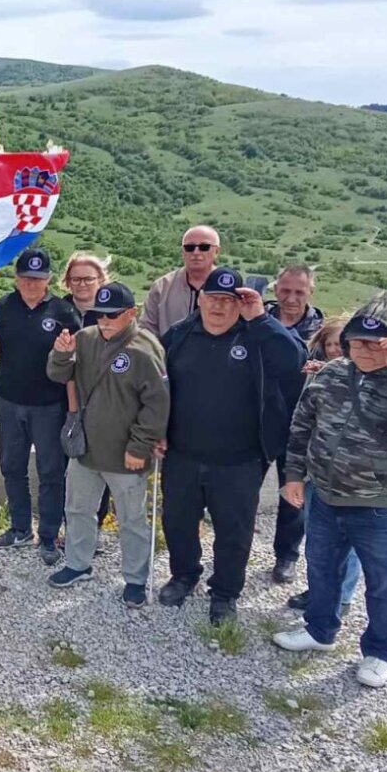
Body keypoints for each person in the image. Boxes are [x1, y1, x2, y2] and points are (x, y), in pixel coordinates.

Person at [273, 292, 387, 688]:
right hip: (325, 496)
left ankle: (378, 652)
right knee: (322, 569)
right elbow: (302, 427)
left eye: (376, 344)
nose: (364, 351)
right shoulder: (332, 374)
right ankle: (320, 630)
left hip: (380, 504)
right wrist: (293, 477)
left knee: (385, 582)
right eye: (357, 343)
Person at [156, 267, 305, 624]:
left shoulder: (258, 336)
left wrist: (261, 318)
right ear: (200, 299)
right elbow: (157, 390)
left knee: (233, 531)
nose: (219, 308)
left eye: (228, 300)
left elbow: (294, 361)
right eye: (213, 299)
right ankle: (184, 574)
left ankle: (224, 593)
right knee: (178, 522)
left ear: (240, 304)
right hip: (182, 453)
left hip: (240, 460)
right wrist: (156, 430)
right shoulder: (178, 336)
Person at [45, 282, 170, 607]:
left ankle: (135, 579)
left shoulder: (145, 349)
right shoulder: (85, 339)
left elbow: (157, 404)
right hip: (86, 449)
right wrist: (60, 352)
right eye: (100, 315)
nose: (105, 321)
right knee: (78, 509)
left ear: (132, 313)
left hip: (125, 454)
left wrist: (139, 447)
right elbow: (59, 375)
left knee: (131, 519)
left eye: (113, 315)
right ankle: (77, 563)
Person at [0, 249, 81, 563]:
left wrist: (73, 410)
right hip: (9, 401)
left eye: (38, 278)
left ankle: (48, 536)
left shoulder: (64, 311)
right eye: (25, 278)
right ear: (16, 279)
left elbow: (76, 360)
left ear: (48, 279)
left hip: (50, 405)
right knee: (12, 467)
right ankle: (20, 528)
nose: (31, 284)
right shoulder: (1, 309)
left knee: (51, 471)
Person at [286, 314, 363, 615]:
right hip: (317, 470)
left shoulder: (373, 374)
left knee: (350, 542)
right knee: (319, 540)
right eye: (330, 344)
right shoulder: (316, 373)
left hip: (354, 475)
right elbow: (303, 421)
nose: (335, 350)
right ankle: (319, 591)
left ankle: (341, 597)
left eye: (341, 344)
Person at [266, 265, 325, 584]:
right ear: (276, 289)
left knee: (293, 497)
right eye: (285, 290)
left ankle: (286, 557)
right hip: (258, 424)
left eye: (299, 292)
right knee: (242, 495)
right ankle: (236, 552)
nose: (291, 297)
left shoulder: (323, 332)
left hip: (301, 428)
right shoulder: (255, 319)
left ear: (311, 292)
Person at [60, 252, 114, 534]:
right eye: (75, 279)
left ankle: (93, 530)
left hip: (101, 404)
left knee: (98, 467)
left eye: (88, 279)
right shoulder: (58, 309)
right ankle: (68, 529)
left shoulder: (113, 313)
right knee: (63, 466)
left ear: (101, 280)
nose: (81, 284)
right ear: (67, 282)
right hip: (59, 400)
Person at [141, 226, 221, 337]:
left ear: (217, 251)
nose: (196, 252)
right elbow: (147, 330)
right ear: (183, 251)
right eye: (189, 247)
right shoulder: (162, 287)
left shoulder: (230, 288)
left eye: (204, 247)